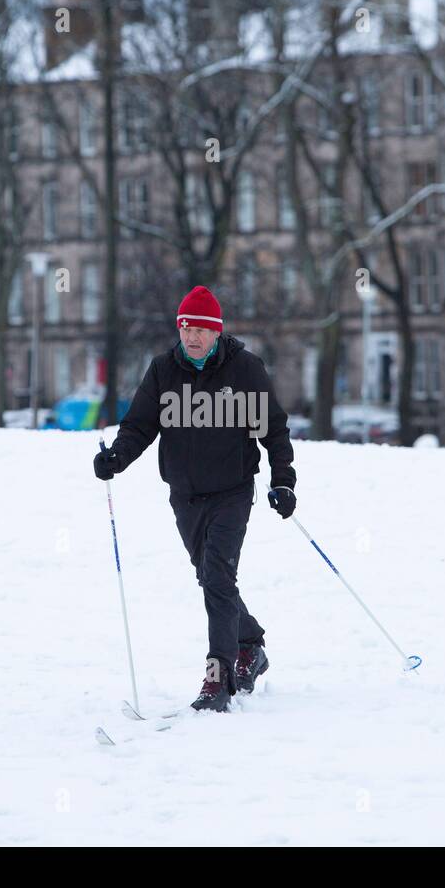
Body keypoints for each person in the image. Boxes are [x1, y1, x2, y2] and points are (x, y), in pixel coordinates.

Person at [93, 285, 297, 712]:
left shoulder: (244, 370)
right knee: (211, 578)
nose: (191, 336)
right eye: (185, 327)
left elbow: (274, 430)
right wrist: (116, 458)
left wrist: (284, 480)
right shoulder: (163, 370)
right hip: (184, 497)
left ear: (216, 332)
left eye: (200, 328)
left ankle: (217, 679)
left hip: (232, 493)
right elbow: (139, 427)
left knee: (218, 577)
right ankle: (250, 644)